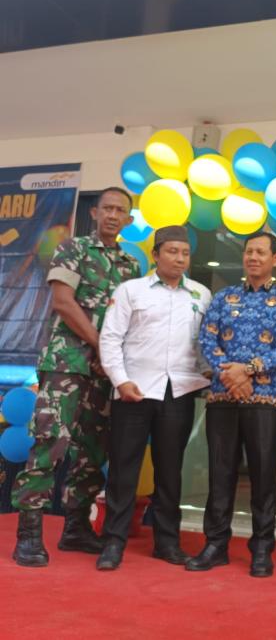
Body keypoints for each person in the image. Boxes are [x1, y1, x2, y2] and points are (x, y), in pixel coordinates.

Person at [11, 187, 139, 567]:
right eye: (107, 209)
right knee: (50, 440)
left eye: (120, 211)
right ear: (94, 213)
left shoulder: (131, 266)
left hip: (103, 372)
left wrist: (111, 358)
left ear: (129, 220)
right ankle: (28, 533)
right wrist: (102, 346)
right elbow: (63, 302)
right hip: (66, 363)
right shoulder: (73, 249)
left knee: (93, 450)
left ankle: (76, 527)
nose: (113, 215)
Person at [96, 225, 212, 571]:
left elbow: (206, 344)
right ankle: (113, 542)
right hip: (134, 390)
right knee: (124, 468)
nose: (180, 259)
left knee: (170, 471)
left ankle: (167, 542)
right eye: (172, 252)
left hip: (179, 392)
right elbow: (110, 338)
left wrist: (209, 374)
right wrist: (120, 381)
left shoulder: (201, 294)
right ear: (155, 255)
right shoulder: (131, 291)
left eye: (185, 253)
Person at [187, 231, 276, 577]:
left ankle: (262, 548)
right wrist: (232, 376)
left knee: (263, 476)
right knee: (220, 473)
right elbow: (207, 339)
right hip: (223, 397)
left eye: (260, 252)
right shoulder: (224, 297)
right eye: (249, 251)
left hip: (266, 399)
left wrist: (248, 371)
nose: (253, 257)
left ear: (275, 259)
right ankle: (215, 545)